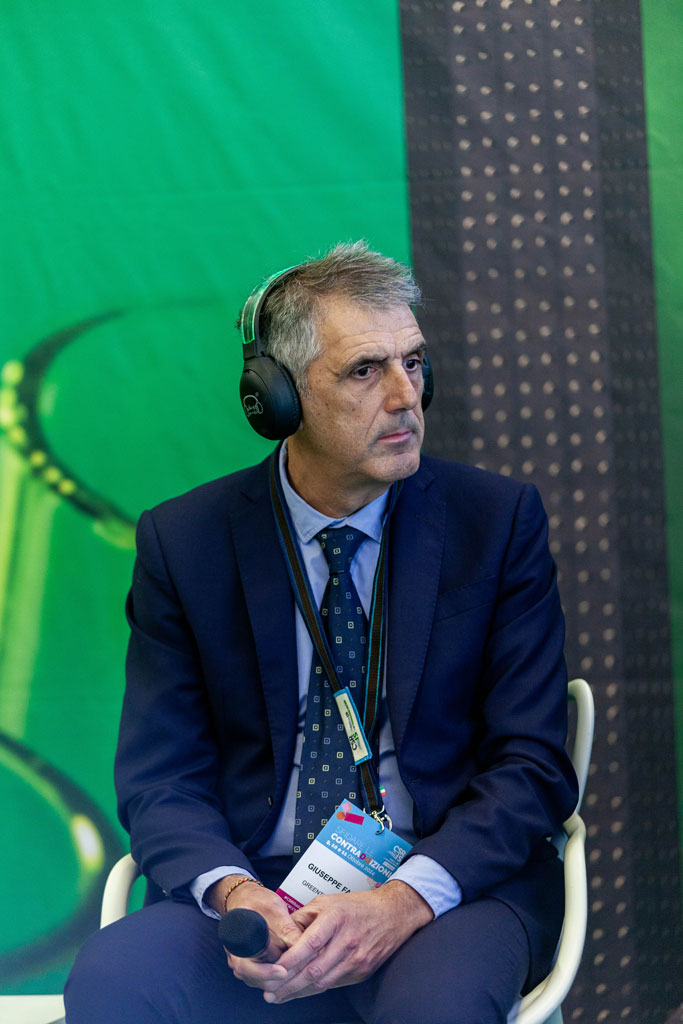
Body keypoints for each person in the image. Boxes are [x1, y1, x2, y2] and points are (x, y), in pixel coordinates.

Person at [65, 241, 578, 1023]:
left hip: (447, 887)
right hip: (258, 886)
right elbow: (159, 778)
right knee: (117, 980)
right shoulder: (187, 543)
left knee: (435, 1011)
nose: (405, 396)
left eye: (414, 363)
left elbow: (532, 766)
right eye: (365, 370)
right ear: (276, 398)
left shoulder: (494, 523)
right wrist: (235, 893)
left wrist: (403, 900)